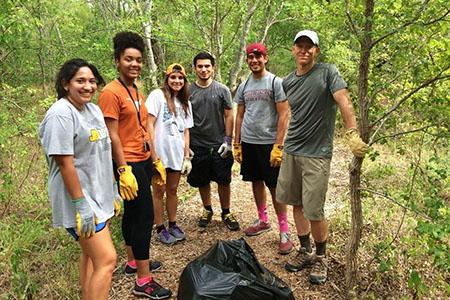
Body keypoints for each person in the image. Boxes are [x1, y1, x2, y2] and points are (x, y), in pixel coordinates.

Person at [278, 30, 368, 284]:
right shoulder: (288, 81)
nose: (304, 50)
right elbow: (291, 114)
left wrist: (351, 132)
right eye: (300, 46)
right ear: (293, 50)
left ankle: (320, 256)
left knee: (314, 209)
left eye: (310, 46)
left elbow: (344, 100)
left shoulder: (328, 72)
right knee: (296, 202)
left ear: (316, 51)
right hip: (292, 149)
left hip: (317, 153)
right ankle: (305, 250)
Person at [98, 31, 171, 299]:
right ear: (117, 60)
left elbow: (142, 129)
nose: (135, 64)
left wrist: (155, 160)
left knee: (133, 213)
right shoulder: (110, 92)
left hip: (141, 159)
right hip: (126, 162)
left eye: (138, 60)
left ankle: (133, 261)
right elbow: (112, 134)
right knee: (144, 217)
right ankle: (143, 281)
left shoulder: (136, 90)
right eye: (129, 59)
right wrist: (122, 169)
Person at [39, 58, 118, 300]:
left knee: (91, 257)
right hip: (80, 200)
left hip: (98, 195)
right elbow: (64, 163)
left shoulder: (93, 109)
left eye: (92, 81)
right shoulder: (61, 114)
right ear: (65, 84)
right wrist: (80, 204)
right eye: (80, 81)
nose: (88, 86)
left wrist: (113, 187)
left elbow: (101, 153)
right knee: (107, 259)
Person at [233, 43, 292, 254]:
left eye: (258, 57)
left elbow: (284, 114)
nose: (254, 61)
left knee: (274, 185)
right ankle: (263, 219)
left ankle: (285, 230)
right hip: (249, 142)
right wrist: (236, 143)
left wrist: (278, 145)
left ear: (265, 59)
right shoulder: (244, 86)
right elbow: (239, 114)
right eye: (250, 57)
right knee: (255, 181)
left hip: (269, 143)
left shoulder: (276, 82)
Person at [187, 52, 240, 231]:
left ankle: (226, 212)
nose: (204, 69)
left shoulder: (222, 90)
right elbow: (182, 117)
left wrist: (228, 140)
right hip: (197, 144)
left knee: (223, 180)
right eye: (200, 66)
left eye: (207, 66)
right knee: (202, 179)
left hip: (219, 144)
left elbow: (229, 115)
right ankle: (207, 209)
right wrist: (186, 146)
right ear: (195, 68)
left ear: (213, 68)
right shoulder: (188, 91)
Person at [145, 63, 193, 245]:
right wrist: (153, 155)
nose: (177, 81)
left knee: (172, 190)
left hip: (177, 153)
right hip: (160, 154)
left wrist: (186, 156)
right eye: (173, 77)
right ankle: (159, 227)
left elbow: (186, 131)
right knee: (159, 190)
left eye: (180, 78)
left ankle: (173, 224)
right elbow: (149, 124)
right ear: (167, 79)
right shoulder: (157, 96)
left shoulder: (185, 102)